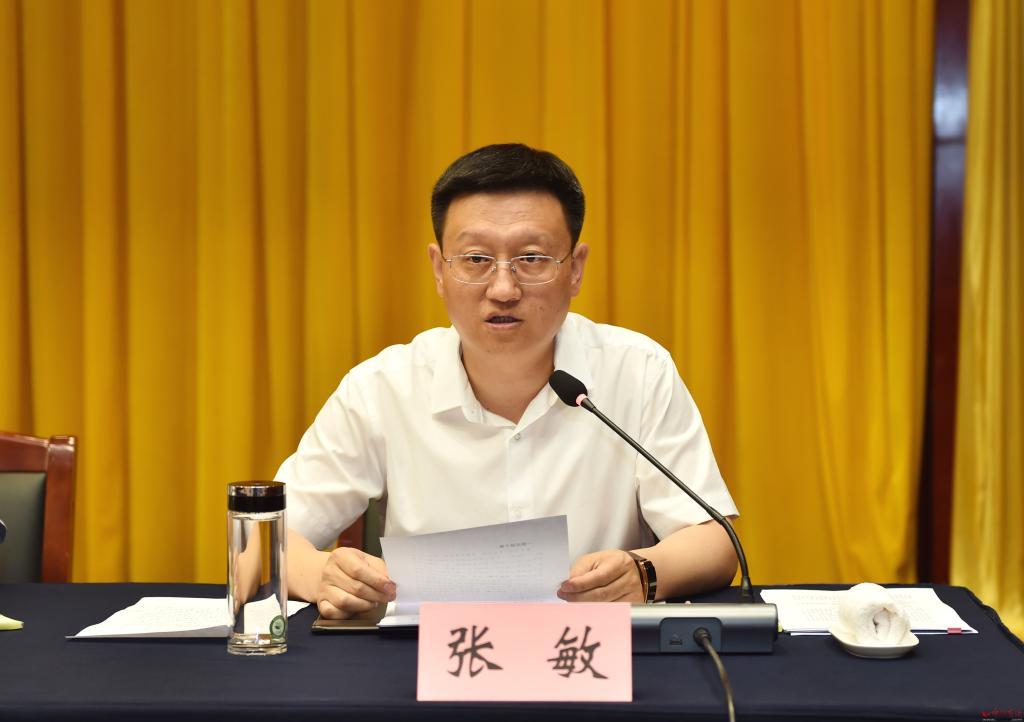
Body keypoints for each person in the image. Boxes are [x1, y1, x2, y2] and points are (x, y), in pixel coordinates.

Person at [279, 143, 739, 619]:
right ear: (439, 270)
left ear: (575, 269)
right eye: (476, 259)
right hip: (427, 655)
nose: (503, 289)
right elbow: (259, 541)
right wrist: (321, 574)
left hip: (590, 650)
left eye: (532, 258)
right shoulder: (381, 388)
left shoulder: (638, 370)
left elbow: (715, 540)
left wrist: (644, 572)